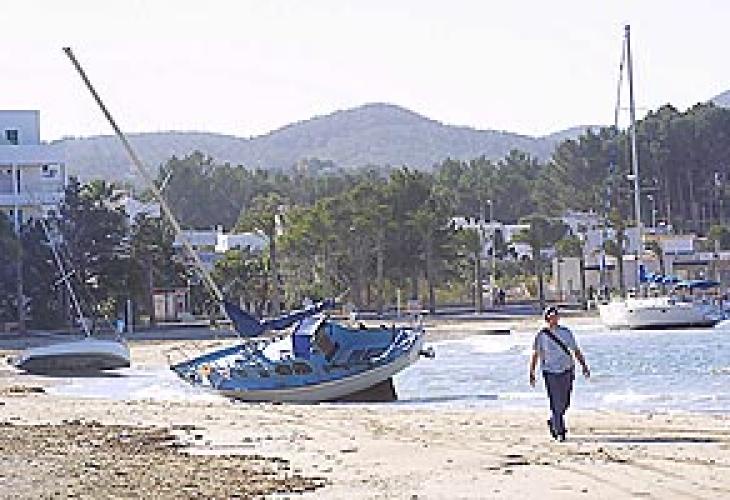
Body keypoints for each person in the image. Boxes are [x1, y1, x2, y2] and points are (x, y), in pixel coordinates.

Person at [529, 306, 590, 441]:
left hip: (567, 369)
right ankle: (560, 431)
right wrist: (532, 372)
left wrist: (584, 366)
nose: (554, 319)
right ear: (547, 318)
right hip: (550, 371)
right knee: (555, 401)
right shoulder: (541, 335)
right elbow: (535, 354)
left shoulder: (566, 332)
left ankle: (553, 420)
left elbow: (575, 350)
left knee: (565, 402)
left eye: (556, 316)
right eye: (551, 316)